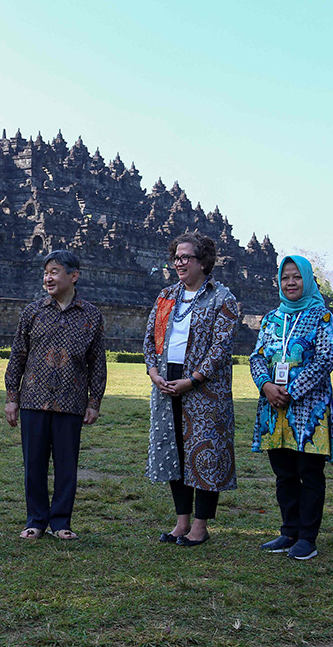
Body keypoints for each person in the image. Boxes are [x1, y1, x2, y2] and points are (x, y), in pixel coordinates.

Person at [144, 231, 239, 547]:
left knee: (205, 451)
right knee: (175, 451)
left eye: (186, 257)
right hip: (167, 381)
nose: (179, 262)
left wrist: (195, 379)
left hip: (203, 387)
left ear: (204, 262)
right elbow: (150, 339)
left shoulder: (222, 298)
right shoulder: (166, 296)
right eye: (177, 257)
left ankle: (200, 526)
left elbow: (220, 347)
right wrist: (154, 373)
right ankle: (181, 522)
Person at [5, 250, 106, 541]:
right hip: (33, 399)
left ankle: (61, 521)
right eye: (46, 272)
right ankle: (35, 519)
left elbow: (97, 363)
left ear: (73, 276)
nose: (48, 277)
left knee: (66, 466)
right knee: (33, 464)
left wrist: (94, 401)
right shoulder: (33, 312)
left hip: (71, 401)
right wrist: (12, 396)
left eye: (55, 271)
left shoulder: (91, 316)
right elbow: (17, 357)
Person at [250, 255, 333, 561]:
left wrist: (292, 390)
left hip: (308, 409)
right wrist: (266, 385)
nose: (290, 283)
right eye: (285, 277)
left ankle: (308, 538)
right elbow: (257, 355)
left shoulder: (322, 317)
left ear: (308, 280)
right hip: (274, 408)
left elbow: (325, 359)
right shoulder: (272, 318)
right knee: (284, 472)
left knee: (309, 472)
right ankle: (289, 531)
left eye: (296, 277)